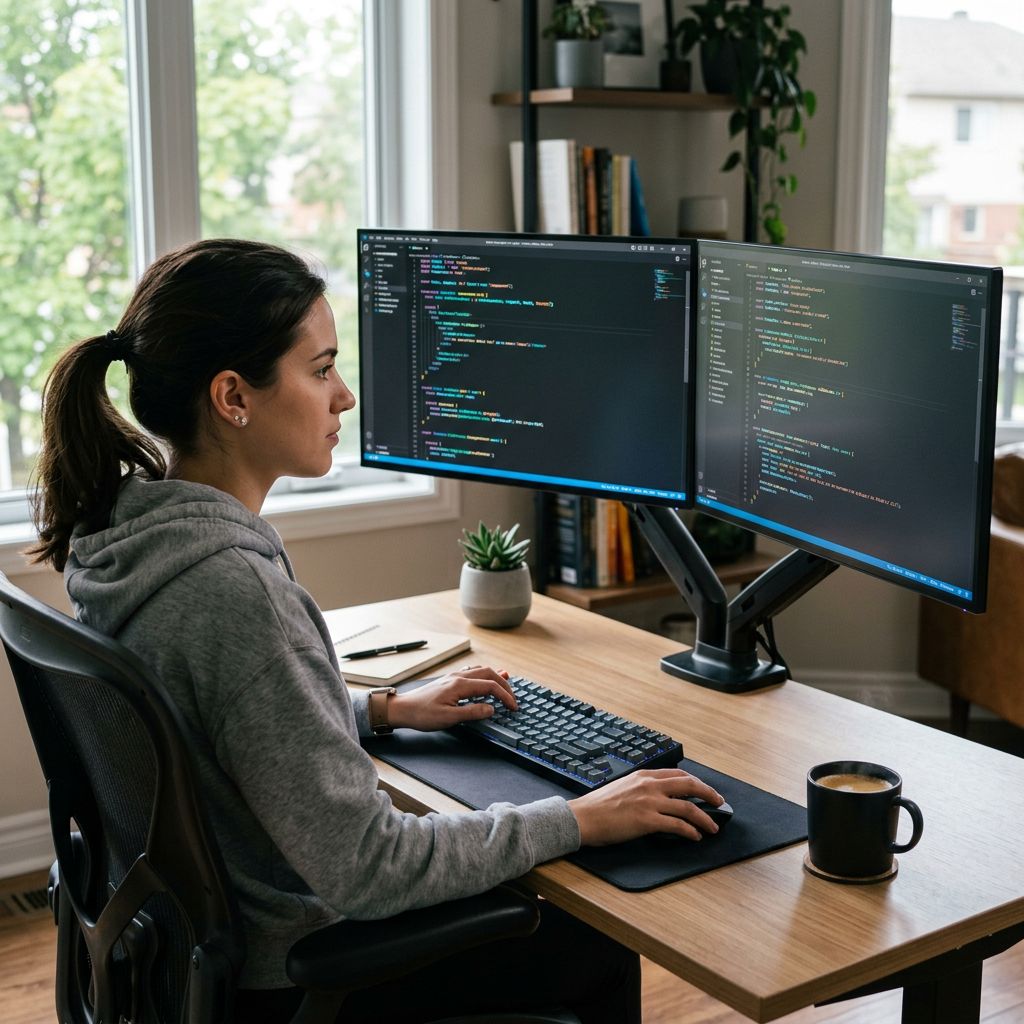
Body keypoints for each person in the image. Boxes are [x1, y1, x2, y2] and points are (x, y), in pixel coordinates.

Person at [30, 238, 724, 1024]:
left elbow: (201, 726)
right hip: (286, 980)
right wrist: (581, 816)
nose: (345, 396)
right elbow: (371, 867)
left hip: (175, 967)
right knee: (591, 935)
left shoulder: (128, 536)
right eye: (321, 369)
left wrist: (379, 711)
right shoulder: (234, 592)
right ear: (233, 397)